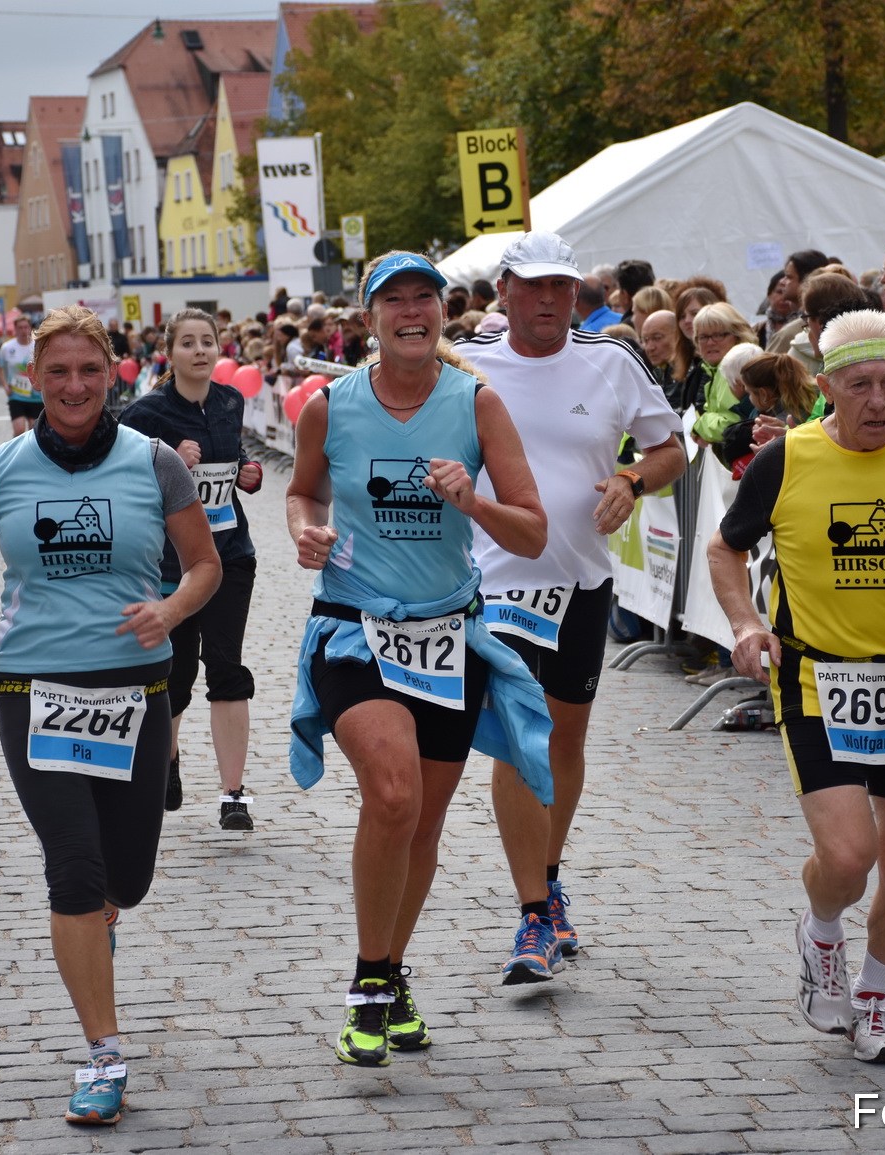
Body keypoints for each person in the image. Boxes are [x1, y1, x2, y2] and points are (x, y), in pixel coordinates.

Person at [0, 305, 221, 1126]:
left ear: (114, 371)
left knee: (128, 876)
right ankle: (103, 1053)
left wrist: (171, 608)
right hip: (34, 689)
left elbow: (204, 565)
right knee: (74, 871)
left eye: (89, 370)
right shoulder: (1, 466)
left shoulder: (154, 463)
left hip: (135, 691)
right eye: (58, 372)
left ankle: (104, 916)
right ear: (35, 378)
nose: (75, 386)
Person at [285, 251, 551, 1067]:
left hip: (446, 635)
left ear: (444, 312)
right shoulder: (329, 407)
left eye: (423, 299)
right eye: (392, 301)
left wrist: (472, 499)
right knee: (392, 793)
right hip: (354, 626)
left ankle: (392, 971)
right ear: (369, 320)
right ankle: (369, 983)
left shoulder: (479, 404)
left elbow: (532, 531)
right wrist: (306, 530)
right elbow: (303, 491)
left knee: (424, 821)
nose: (410, 312)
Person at [707, 309, 885, 1064]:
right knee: (848, 856)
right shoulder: (787, 458)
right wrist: (744, 623)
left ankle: (872, 994)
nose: (877, 401)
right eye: (860, 385)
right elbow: (724, 548)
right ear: (827, 385)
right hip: (813, 677)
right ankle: (822, 929)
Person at [460, 232, 684, 984]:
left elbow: (670, 449)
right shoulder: (468, 366)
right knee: (521, 737)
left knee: (562, 743)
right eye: (533, 286)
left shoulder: (612, 361)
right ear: (505, 293)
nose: (550, 299)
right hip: (497, 583)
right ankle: (531, 914)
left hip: (583, 581)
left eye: (561, 286)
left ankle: (548, 877)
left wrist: (631, 479)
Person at [119, 308, 264, 826]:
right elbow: (121, 482)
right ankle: (169, 759)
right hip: (170, 566)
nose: (200, 350)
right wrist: (168, 463)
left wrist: (247, 472)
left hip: (230, 557)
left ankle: (233, 795)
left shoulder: (231, 400)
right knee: (176, 678)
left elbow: (233, 459)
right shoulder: (145, 413)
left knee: (227, 669)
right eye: (188, 343)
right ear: (170, 352)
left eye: (208, 341)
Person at [689, 302, 757, 447]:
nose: (710, 342)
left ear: (737, 336)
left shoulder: (738, 368)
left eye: (719, 335)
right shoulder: (712, 369)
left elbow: (734, 424)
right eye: (703, 337)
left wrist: (699, 425)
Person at [0, 315, 41, 437]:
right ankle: (16, 453)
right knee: (19, 430)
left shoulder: (37, 346)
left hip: (36, 396)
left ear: (30, 328)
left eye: (26, 327)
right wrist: (5, 385)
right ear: (15, 329)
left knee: (34, 432)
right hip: (16, 396)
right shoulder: (7, 347)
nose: (23, 330)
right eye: (20, 328)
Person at [640, 309, 680, 396]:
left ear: (678, 336)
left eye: (657, 338)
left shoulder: (692, 371)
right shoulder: (653, 373)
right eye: (645, 340)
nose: (650, 347)